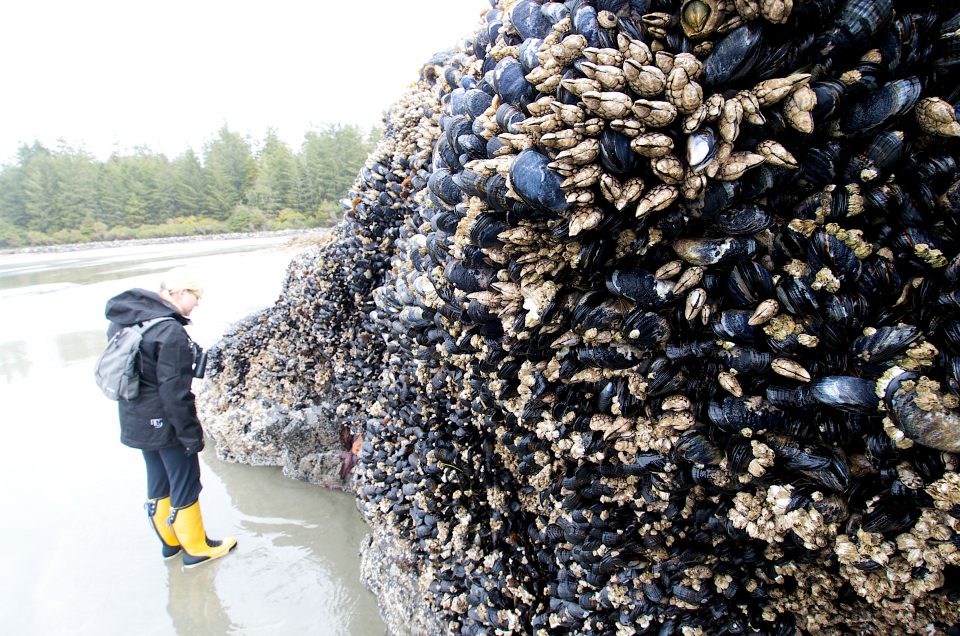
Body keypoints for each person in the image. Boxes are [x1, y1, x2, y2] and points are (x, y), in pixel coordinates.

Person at [104, 268, 237, 568]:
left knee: (158, 479)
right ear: (178, 293)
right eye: (196, 296)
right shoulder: (169, 331)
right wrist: (191, 434)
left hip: (133, 415)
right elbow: (175, 392)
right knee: (185, 480)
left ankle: (171, 545)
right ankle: (197, 548)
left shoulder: (126, 320)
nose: (198, 303)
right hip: (164, 419)